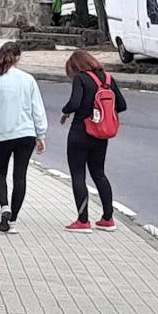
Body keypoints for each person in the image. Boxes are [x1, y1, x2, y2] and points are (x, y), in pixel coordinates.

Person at [0, 42, 47, 234]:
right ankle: (13, 218)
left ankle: (4, 206)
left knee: (0, 172)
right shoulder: (28, 80)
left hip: (3, 134)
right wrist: (41, 134)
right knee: (20, 175)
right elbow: (37, 110)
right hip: (26, 134)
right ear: (18, 58)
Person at [60, 51, 127, 232]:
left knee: (78, 175)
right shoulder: (107, 78)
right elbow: (121, 105)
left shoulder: (81, 78)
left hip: (80, 132)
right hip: (101, 134)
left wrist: (65, 110)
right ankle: (107, 218)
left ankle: (83, 221)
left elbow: (74, 103)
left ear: (75, 67)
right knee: (99, 174)